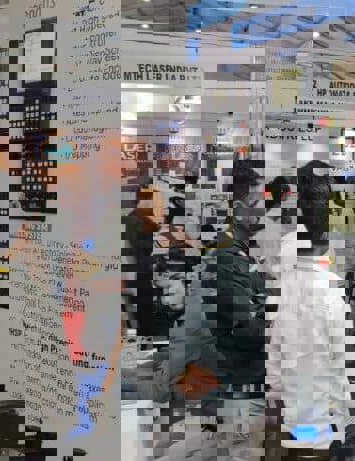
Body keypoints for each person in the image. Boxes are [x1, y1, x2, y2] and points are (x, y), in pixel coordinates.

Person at [149, 159, 271, 461]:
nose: (264, 209)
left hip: (236, 387)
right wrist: (279, 314)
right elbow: (246, 332)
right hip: (237, 390)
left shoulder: (239, 253)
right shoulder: (228, 259)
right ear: (239, 207)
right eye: (258, 202)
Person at [266, 160, 355, 461]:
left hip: (295, 400)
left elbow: (277, 337)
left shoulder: (289, 252)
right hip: (317, 410)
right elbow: (341, 360)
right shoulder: (327, 287)